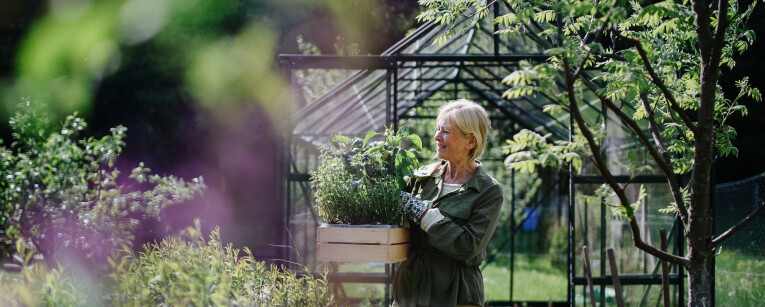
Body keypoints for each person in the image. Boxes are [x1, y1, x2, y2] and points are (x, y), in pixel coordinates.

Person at [394, 99, 504, 307]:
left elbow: (468, 246)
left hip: (455, 294)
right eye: (438, 129)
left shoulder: (489, 191)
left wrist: (427, 215)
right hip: (411, 289)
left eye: (445, 131)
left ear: (471, 141)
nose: (436, 137)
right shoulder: (423, 178)